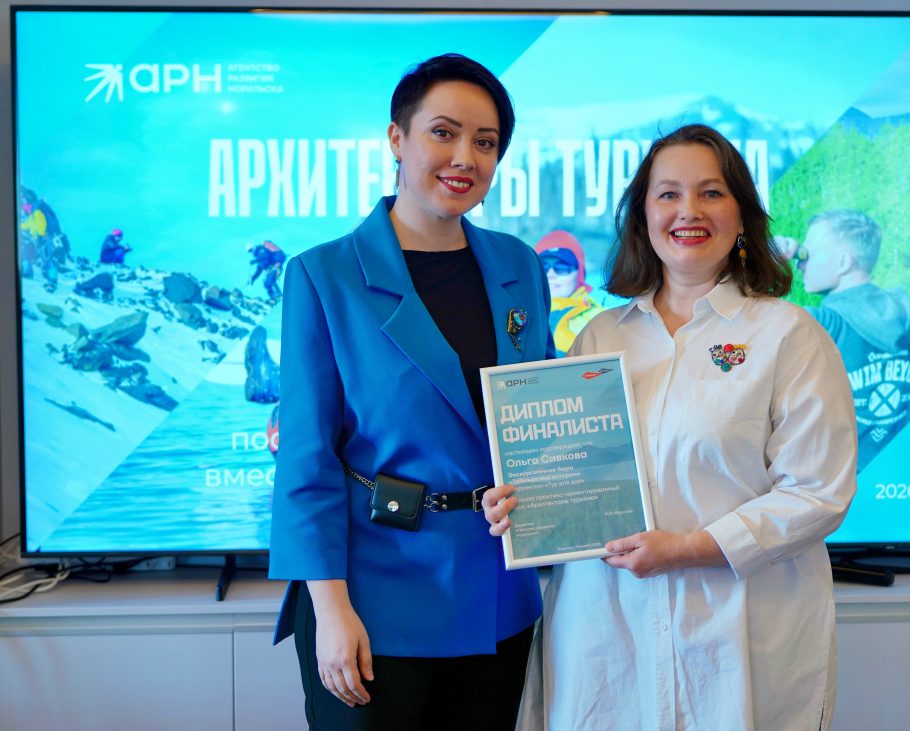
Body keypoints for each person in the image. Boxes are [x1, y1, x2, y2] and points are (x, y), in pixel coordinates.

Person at [484, 124, 858, 730]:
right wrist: (522, 502)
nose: (689, 211)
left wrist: (689, 549)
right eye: (668, 194)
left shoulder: (789, 336)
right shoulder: (598, 338)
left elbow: (818, 493)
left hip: (738, 634)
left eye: (711, 193)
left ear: (743, 217)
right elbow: (568, 477)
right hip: (606, 635)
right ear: (643, 217)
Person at [268, 53, 555, 731]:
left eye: (486, 142)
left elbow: (542, 410)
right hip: (371, 599)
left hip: (496, 595)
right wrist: (331, 610)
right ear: (397, 138)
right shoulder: (324, 276)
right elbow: (306, 463)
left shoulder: (518, 265)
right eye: (443, 133)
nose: (465, 158)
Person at [784, 210, 910, 471]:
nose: (801, 263)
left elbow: (736, 324)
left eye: (806, 253)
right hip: (908, 481)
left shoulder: (821, 325)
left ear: (843, 262)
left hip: (840, 488)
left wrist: (767, 254)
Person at [533, 230, 603, 355]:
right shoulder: (520, 316)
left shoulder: (598, 319)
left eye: (561, 267)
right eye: (543, 268)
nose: (551, 274)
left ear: (579, 274)